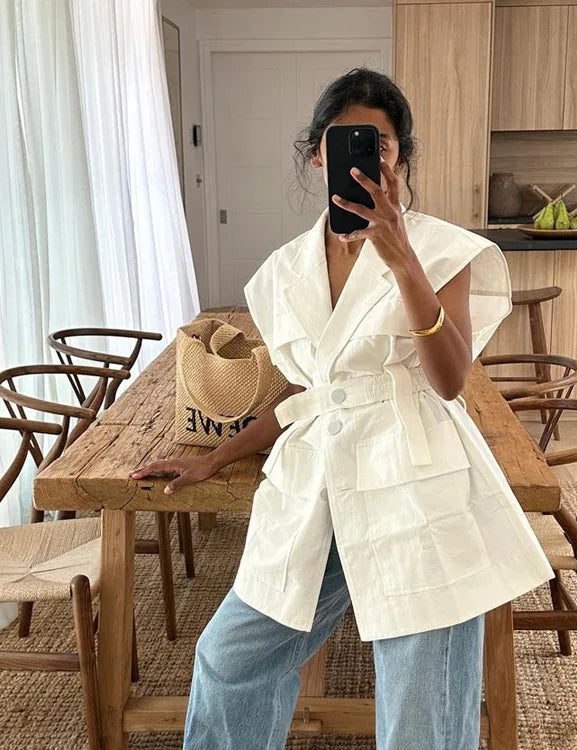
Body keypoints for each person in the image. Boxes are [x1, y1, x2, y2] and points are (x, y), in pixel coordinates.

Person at [131, 67, 553, 750]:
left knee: (418, 714)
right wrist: (216, 456)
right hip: (318, 480)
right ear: (316, 154)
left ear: (400, 158)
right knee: (230, 659)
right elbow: (308, 392)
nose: (364, 157)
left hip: (417, 481)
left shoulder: (442, 249)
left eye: (379, 145)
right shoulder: (283, 270)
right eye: (344, 141)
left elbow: (449, 380)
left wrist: (402, 260)